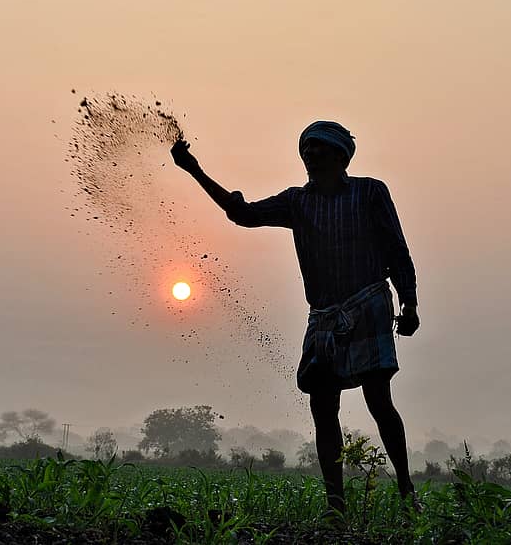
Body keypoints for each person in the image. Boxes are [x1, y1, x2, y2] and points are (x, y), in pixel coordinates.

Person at [170, 120, 420, 516]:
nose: (310, 154)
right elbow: (243, 214)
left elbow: (396, 247)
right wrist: (194, 170)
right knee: (323, 407)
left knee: (378, 399)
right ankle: (335, 506)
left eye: (319, 148)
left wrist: (409, 302)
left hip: (369, 301)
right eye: (306, 149)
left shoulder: (371, 192)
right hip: (323, 314)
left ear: (341, 156)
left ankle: (407, 494)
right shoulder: (297, 202)